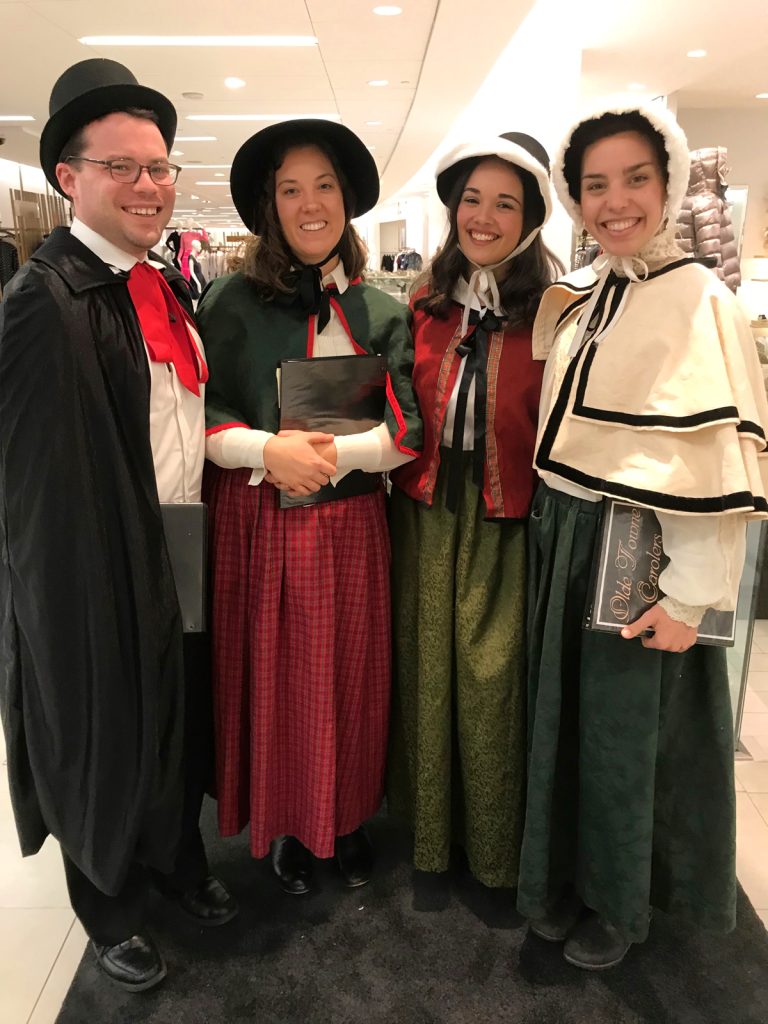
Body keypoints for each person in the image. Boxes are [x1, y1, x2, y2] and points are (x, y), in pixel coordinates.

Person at [0, 59, 237, 993]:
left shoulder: (156, 285)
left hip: (175, 538)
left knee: (175, 712)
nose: (151, 186)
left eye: (161, 167)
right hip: (97, 567)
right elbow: (35, 493)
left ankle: (177, 862)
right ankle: (109, 907)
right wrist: (71, 607)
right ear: (69, 178)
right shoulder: (44, 304)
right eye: (124, 169)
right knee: (101, 726)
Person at [517, 102, 768, 970]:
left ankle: (620, 905)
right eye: (594, 185)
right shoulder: (586, 293)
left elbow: (715, 466)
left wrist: (693, 595)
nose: (614, 201)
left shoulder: (701, 299)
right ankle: (565, 874)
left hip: (640, 553)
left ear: (669, 183)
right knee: (569, 725)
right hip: (568, 537)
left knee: (626, 738)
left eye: (635, 179)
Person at [197, 119, 421, 895]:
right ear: (271, 205)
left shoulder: (381, 311)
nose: (310, 203)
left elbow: (406, 432)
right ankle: (289, 820)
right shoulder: (226, 302)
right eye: (291, 188)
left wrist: (328, 460)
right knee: (275, 678)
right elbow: (203, 415)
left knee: (350, 677)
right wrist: (268, 451)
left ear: (347, 200)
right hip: (260, 520)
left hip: (351, 524)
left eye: (324, 185)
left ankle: (347, 815)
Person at [386, 133, 562, 887]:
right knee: (426, 679)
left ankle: (493, 853)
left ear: (530, 219)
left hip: (507, 526)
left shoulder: (558, 314)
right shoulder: (423, 305)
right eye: (472, 200)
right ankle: (430, 839)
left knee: (491, 686)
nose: (483, 217)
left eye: (504, 203)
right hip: (425, 518)